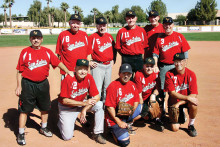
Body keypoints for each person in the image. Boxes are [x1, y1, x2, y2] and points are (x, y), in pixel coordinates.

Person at [15, 30, 74, 145]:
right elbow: (19, 71)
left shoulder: (47, 52)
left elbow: (57, 62)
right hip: (28, 84)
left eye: (38, 38)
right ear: (30, 39)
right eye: (33, 38)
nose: (36, 40)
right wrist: (18, 86)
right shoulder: (25, 52)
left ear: (42, 39)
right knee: (24, 109)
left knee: (45, 107)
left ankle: (44, 127)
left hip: (43, 84)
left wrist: (68, 71)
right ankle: (21, 133)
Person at [57, 59, 106, 144]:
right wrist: (84, 103)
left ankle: (97, 133)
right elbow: (64, 100)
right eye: (80, 69)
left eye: (85, 69)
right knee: (67, 137)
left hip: (80, 104)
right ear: (75, 69)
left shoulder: (89, 77)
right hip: (67, 108)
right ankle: (61, 123)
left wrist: (84, 109)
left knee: (99, 104)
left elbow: (97, 97)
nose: (83, 72)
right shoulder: (68, 79)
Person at [105, 63, 141, 147]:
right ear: (119, 74)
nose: (126, 76)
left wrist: (131, 111)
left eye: (128, 74)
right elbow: (109, 107)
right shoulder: (113, 86)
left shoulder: (132, 84)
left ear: (131, 75)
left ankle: (127, 123)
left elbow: (136, 100)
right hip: (113, 118)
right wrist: (119, 121)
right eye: (124, 73)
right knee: (124, 142)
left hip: (125, 114)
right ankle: (112, 131)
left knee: (141, 108)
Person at [164, 53, 198, 137]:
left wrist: (180, 103)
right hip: (174, 102)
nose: (178, 64)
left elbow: (194, 94)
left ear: (185, 62)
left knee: (194, 103)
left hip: (182, 102)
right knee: (175, 128)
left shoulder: (191, 74)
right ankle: (181, 113)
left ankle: (191, 125)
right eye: (176, 61)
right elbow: (172, 93)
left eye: (180, 61)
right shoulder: (169, 74)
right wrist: (186, 99)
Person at [153, 17, 190, 90]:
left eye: (169, 24)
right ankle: (164, 100)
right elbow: (155, 54)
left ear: (173, 25)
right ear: (163, 26)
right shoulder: (159, 38)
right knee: (164, 87)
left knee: (178, 85)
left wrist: (185, 64)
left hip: (177, 65)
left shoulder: (179, 36)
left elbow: (185, 52)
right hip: (164, 67)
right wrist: (155, 65)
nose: (168, 26)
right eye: (165, 24)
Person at [88, 17, 116, 103]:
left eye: (104, 25)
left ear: (106, 26)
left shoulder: (109, 36)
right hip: (97, 65)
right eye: (100, 25)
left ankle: (105, 108)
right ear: (96, 26)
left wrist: (113, 60)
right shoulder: (93, 37)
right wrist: (89, 61)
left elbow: (114, 49)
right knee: (97, 88)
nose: (102, 27)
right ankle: (95, 108)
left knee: (107, 88)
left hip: (108, 66)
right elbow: (87, 50)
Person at [133, 57, 164, 131]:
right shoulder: (138, 74)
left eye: (151, 66)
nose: (149, 68)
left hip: (149, 97)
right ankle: (130, 121)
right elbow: (139, 95)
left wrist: (153, 95)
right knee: (144, 112)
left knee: (161, 96)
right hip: (140, 99)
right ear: (143, 66)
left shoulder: (156, 74)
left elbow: (158, 88)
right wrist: (144, 107)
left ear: (154, 67)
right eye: (147, 66)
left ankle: (157, 118)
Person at [115, 10, 148, 79]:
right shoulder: (121, 31)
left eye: (132, 18)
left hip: (139, 58)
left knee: (140, 78)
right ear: (126, 19)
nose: (131, 20)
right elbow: (118, 47)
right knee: (127, 78)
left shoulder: (142, 31)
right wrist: (125, 54)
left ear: (136, 18)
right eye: (128, 18)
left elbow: (145, 46)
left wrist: (140, 55)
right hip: (126, 58)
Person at [56, 14, 89, 80]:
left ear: (80, 24)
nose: (75, 25)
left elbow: (88, 52)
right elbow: (59, 54)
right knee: (65, 90)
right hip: (67, 71)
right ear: (69, 23)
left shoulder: (84, 35)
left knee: (81, 90)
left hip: (81, 71)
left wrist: (86, 69)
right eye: (73, 23)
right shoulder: (63, 35)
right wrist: (65, 70)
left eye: (77, 23)